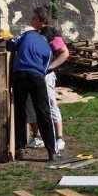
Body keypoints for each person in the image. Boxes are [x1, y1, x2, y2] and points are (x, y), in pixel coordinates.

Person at [6, 7, 59, 162]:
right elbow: (45, 68)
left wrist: (7, 41)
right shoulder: (48, 49)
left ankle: (20, 149)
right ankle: (52, 152)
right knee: (43, 112)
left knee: (20, 112)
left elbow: (11, 45)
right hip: (37, 77)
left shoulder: (27, 34)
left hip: (20, 74)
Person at [25, 26, 69, 155]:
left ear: (40, 20)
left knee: (50, 104)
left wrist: (49, 67)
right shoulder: (34, 34)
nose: (31, 20)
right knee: (30, 103)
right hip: (33, 74)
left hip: (46, 75)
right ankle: (37, 137)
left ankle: (59, 138)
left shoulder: (50, 34)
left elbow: (64, 52)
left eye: (33, 17)